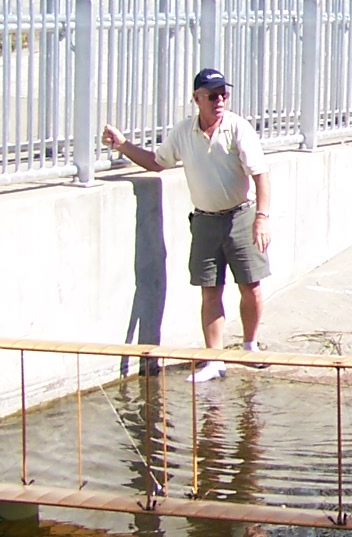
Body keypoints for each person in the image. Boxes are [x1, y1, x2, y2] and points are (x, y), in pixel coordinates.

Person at [102, 67, 272, 383]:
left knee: (251, 286)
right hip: (205, 220)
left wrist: (261, 218)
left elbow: (260, 175)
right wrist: (123, 145)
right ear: (197, 98)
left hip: (240, 215)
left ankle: (250, 345)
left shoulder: (238, 129)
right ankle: (214, 359)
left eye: (224, 93)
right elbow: (157, 162)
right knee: (210, 290)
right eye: (212, 95)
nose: (219, 99)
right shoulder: (184, 132)